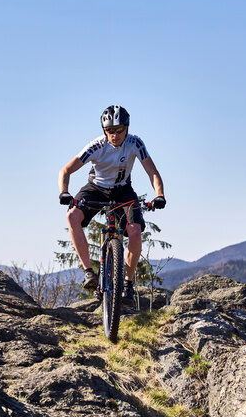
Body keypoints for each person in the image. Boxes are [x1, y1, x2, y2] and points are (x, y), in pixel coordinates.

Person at [58, 105, 166, 301]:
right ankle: (89, 272)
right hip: (95, 188)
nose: (115, 135)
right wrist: (64, 192)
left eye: (119, 130)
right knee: (72, 216)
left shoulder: (135, 143)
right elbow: (65, 170)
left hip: (123, 190)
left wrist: (159, 195)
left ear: (127, 128)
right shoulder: (96, 146)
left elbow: (153, 172)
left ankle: (127, 283)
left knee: (134, 230)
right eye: (110, 131)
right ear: (104, 130)